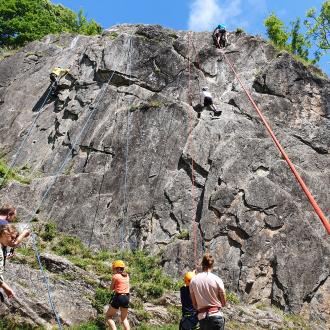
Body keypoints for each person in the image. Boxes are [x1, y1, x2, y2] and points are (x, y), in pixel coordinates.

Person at [189, 254, 226, 330]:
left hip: (202, 319)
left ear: (202, 264)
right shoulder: (217, 279)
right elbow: (224, 303)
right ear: (212, 265)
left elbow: (194, 305)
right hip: (216, 317)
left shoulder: (193, 280)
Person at [105, 260, 130, 330]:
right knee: (124, 318)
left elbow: (111, 288)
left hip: (119, 297)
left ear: (116, 268)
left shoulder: (115, 276)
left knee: (108, 316)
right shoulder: (127, 276)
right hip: (127, 297)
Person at [0, 224, 18, 301]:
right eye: (12, 237)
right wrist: (7, 288)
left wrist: (5, 256)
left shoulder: (3, 247)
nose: (13, 240)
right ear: (4, 233)